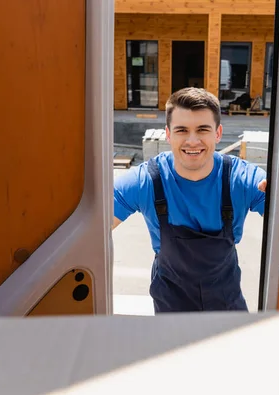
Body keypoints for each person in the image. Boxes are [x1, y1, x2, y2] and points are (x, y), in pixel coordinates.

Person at [113, 87, 267, 313]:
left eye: (203, 129)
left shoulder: (242, 180)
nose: (192, 141)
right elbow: (93, 225)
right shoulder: (147, 180)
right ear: (168, 134)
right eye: (182, 130)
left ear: (218, 133)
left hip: (227, 306)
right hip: (171, 310)